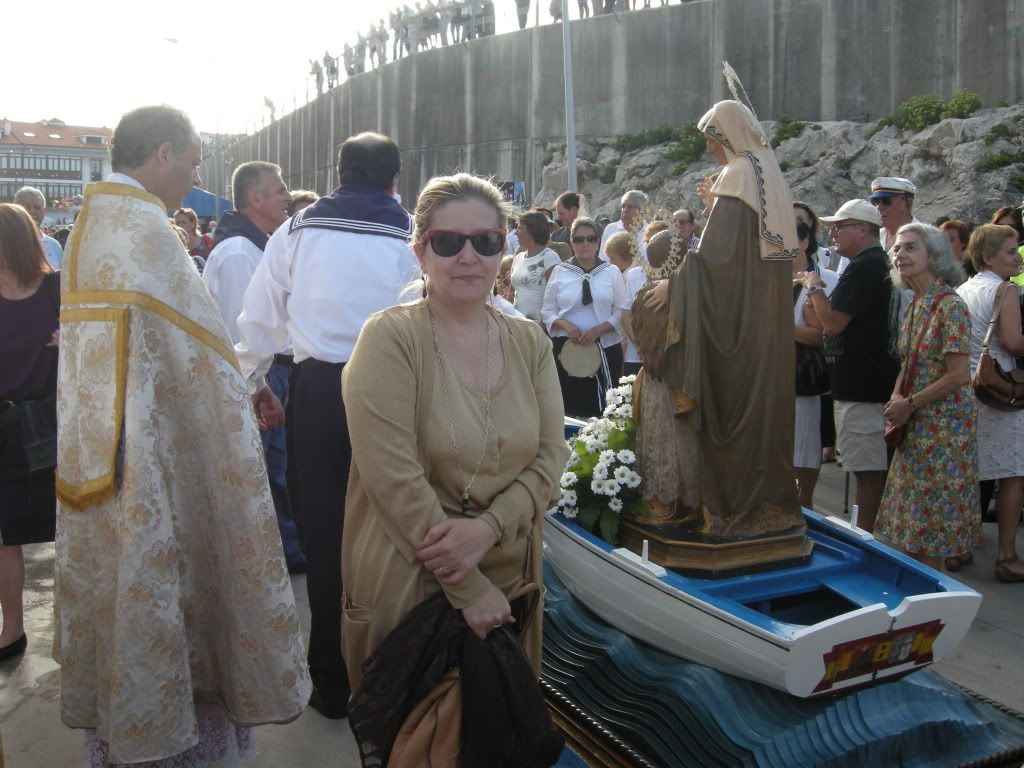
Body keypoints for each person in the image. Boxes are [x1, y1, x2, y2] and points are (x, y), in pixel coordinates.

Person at [53, 105, 309, 765]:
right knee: (174, 575)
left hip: (104, 453)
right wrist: (249, 397)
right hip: (150, 459)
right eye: (194, 161)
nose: (195, 176)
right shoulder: (144, 229)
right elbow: (207, 362)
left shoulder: (93, 223)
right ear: (163, 153)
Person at [340, 170, 567, 702]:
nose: (468, 257)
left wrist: (488, 527)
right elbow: (393, 478)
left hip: (513, 576)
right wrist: (467, 587)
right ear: (421, 251)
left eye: (485, 242)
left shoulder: (528, 341)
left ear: (502, 250)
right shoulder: (390, 338)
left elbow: (551, 455)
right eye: (448, 242)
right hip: (414, 577)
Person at [234, 131, 416, 718]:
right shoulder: (413, 231)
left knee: (325, 532)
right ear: (394, 179)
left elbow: (259, 317)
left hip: (318, 394)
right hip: (399, 389)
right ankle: (396, 673)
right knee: (403, 528)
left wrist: (254, 380)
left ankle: (332, 681)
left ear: (340, 174)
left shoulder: (297, 230)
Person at [643, 99, 803, 539]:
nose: (712, 150)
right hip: (761, 325)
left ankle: (734, 508)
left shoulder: (740, 174)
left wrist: (672, 282)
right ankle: (773, 507)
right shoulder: (766, 174)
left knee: (732, 413)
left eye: (714, 141)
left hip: (735, 328)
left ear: (729, 137)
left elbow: (713, 265)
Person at [203, 162, 305, 573]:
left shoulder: (257, 244)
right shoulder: (239, 252)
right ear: (255, 199)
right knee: (264, 468)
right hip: (259, 375)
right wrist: (257, 385)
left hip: (270, 372)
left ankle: (284, 547)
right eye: (279, 190)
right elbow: (238, 332)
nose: (287, 198)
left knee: (275, 467)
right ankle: (277, 553)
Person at [874, 224, 976, 570]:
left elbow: (958, 375)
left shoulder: (951, 306)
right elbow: (908, 361)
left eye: (910, 248)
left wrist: (909, 403)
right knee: (912, 522)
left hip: (942, 433)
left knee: (931, 526)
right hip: (916, 427)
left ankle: (931, 606)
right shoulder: (915, 304)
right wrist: (894, 397)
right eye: (898, 248)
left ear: (933, 256)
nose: (900, 254)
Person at [798, 199, 901, 533]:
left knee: (868, 471)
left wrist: (813, 287)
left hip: (862, 388)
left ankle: (866, 538)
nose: (833, 233)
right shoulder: (871, 263)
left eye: (840, 226)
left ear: (862, 229)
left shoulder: (865, 266)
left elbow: (832, 324)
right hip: (864, 385)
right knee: (866, 468)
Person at [0, 203, 59, 662]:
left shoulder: (59, 290)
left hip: (55, 425)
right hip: (3, 427)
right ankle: (13, 630)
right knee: (3, 536)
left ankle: (76, 629)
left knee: (71, 530)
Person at [957, 223, 1024, 582]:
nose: (1017, 257)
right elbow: (1012, 342)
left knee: (972, 470)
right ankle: (1008, 555)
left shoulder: (964, 288)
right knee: (1012, 473)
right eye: (1011, 251)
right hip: (1000, 387)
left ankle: (960, 546)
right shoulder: (1004, 290)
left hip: (969, 386)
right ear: (988, 256)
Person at [542, 216, 627, 418]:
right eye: (579, 239)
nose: (585, 244)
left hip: (605, 349)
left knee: (605, 411)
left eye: (591, 239)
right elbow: (547, 311)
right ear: (572, 243)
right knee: (569, 407)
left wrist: (599, 330)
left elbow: (621, 310)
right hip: (567, 351)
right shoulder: (560, 272)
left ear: (598, 242)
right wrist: (565, 325)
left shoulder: (611, 272)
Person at [792, 221, 839, 509]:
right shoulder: (768, 277)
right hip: (770, 377)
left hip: (800, 379)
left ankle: (804, 507)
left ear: (804, 241)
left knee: (802, 449)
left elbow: (820, 335)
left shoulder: (819, 280)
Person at [510, 210, 561, 323]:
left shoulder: (550, 258)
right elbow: (512, 294)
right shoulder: (518, 258)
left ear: (532, 230)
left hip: (537, 329)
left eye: (519, 228)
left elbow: (556, 298)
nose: (515, 233)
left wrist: (542, 327)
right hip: (516, 325)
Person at [607, 230, 647, 377]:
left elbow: (626, 312)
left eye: (614, 258)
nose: (611, 263)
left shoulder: (634, 275)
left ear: (627, 255)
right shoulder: (619, 273)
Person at [14, 186, 63, 269]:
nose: (32, 211)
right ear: (15, 209)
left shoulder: (54, 246)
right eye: (26, 207)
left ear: (43, 212)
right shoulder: (4, 242)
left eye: (37, 207)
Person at [869, 176, 919, 253]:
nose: (879, 207)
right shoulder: (874, 238)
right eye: (876, 201)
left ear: (908, 203)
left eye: (886, 201)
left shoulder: (924, 238)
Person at [599, 190, 648, 263]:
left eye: (630, 207)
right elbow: (603, 261)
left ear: (642, 211)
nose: (625, 210)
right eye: (623, 206)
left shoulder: (651, 232)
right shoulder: (611, 230)